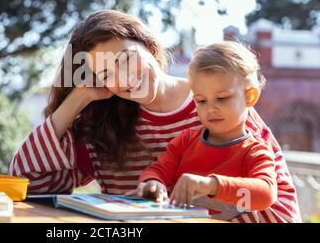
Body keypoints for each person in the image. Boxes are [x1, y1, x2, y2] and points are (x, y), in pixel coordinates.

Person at [9, 10, 301, 223]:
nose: (125, 79)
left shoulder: (219, 101)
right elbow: (27, 182)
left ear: (148, 46)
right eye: (107, 74)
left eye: (126, 60)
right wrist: (80, 97)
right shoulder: (103, 126)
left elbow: (280, 204)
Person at [125, 42, 292, 221]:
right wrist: (153, 182)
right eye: (201, 101)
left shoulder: (255, 150)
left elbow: (265, 194)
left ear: (249, 96)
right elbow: (158, 168)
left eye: (222, 98)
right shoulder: (185, 140)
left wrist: (212, 186)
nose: (211, 108)